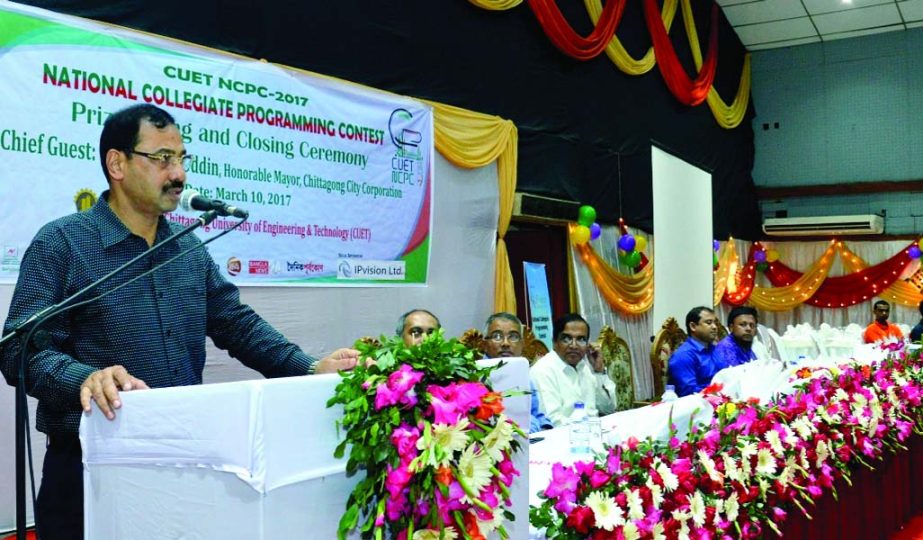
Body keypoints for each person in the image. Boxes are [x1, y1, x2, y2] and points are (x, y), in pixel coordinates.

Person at [0, 104, 360, 540]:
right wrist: (85, 378)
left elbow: (236, 324)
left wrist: (308, 367)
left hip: (180, 466)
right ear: (117, 163)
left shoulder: (187, 247)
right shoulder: (63, 243)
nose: (179, 175)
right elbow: (20, 349)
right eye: (162, 159)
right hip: (88, 470)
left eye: (182, 159)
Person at [529, 313, 616, 426]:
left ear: (587, 344)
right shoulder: (542, 371)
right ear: (555, 342)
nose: (574, 346)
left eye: (581, 339)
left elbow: (608, 408)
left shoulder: (585, 367)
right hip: (564, 438)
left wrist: (598, 372)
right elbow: (552, 421)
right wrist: (589, 428)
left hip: (592, 433)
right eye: (566, 339)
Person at [482, 312, 552, 432]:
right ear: (484, 344)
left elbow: (539, 415)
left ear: (522, 344)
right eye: (497, 336)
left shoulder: (523, 372)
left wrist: (545, 429)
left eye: (513, 337)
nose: (505, 343)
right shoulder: (474, 377)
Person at [668, 306, 722, 397]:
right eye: (709, 323)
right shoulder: (684, 355)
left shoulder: (715, 349)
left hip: (720, 400)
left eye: (715, 323)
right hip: (697, 406)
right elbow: (689, 392)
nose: (715, 327)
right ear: (693, 326)